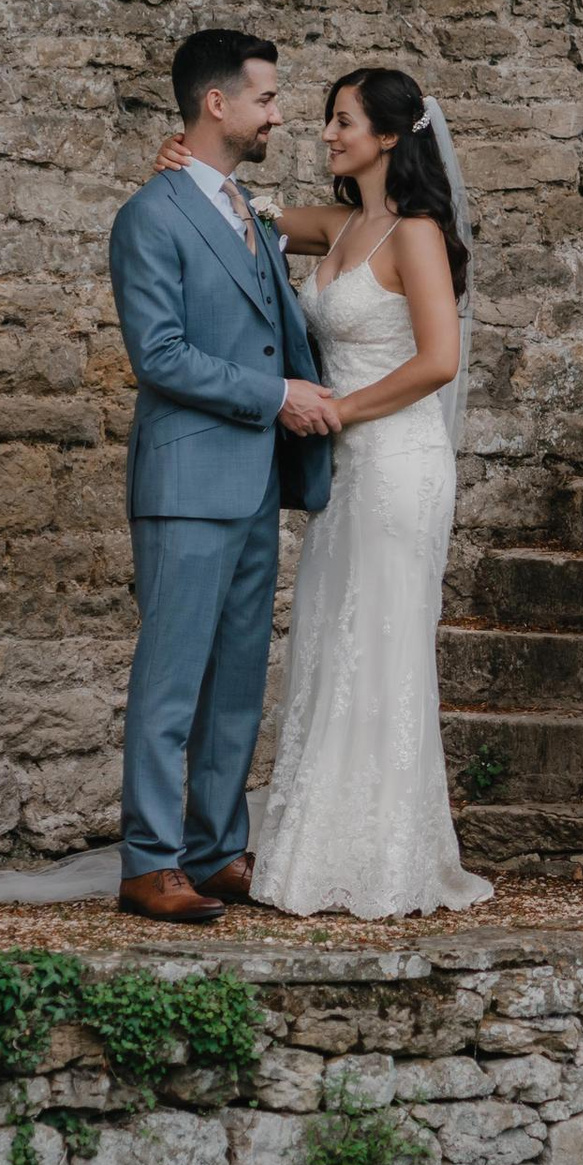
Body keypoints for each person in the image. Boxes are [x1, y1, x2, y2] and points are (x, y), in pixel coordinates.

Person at [154, 63, 490, 920]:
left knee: (380, 640)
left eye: (342, 121)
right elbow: (248, 212)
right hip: (349, 469)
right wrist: (190, 173)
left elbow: (440, 360)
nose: (327, 134)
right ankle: (321, 843)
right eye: (325, 119)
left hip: (397, 458)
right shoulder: (344, 225)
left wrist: (338, 409)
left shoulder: (414, 231)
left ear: (386, 137)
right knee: (334, 640)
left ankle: (386, 855)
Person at [108, 29, 340, 924]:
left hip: (253, 484)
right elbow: (160, 354)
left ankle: (213, 850)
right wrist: (277, 392)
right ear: (217, 104)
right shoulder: (150, 216)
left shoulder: (247, 208)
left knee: (238, 679)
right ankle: (148, 861)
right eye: (269, 99)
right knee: (171, 680)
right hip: (185, 482)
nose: (281, 114)